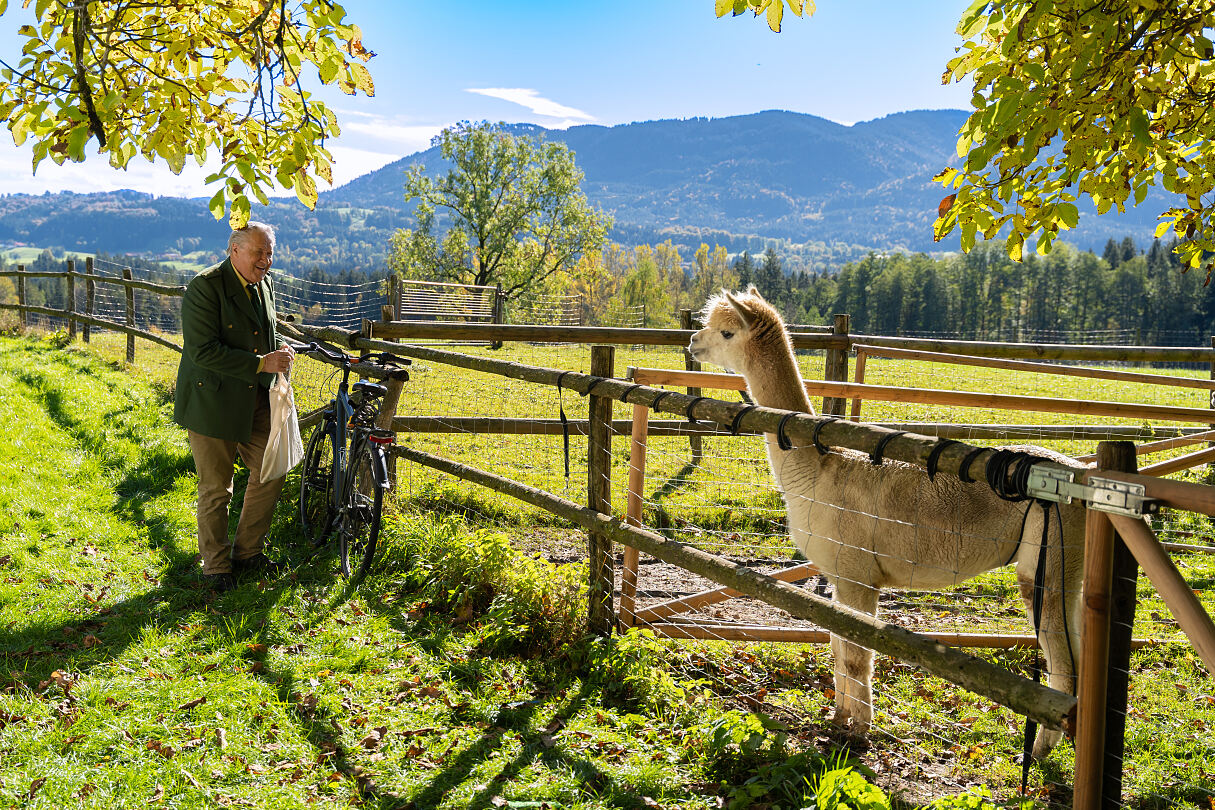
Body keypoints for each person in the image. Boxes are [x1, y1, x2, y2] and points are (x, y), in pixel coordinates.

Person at [174, 222, 295, 592]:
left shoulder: (265, 283)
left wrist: (281, 352)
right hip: (212, 400)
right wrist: (261, 363)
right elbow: (203, 351)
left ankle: (247, 553)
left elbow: (264, 332)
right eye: (259, 252)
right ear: (234, 250)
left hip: (255, 398)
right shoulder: (205, 287)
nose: (266, 260)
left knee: (271, 471)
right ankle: (215, 567)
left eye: (270, 252)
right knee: (216, 489)